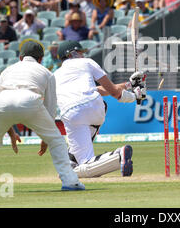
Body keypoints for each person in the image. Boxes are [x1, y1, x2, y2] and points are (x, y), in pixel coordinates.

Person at [0, 40, 85, 194]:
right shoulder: (47, 72)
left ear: (21, 57)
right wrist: (46, 137)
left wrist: (8, 130)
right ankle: (71, 182)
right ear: (41, 59)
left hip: (3, 101)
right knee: (57, 140)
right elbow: (50, 107)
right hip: (30, 99)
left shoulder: (7, 70)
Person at [48, 40, 146, 178]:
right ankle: (74, 161)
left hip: (70, 114)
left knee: (84, 164)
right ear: (72, 53)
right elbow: (112, 92)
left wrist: (128, 84)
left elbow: (101, 90)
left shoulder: (55, 76)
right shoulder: (87, 62)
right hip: (95, 107)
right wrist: (134, 96)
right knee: (85, 165)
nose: (82, 55)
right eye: (80, 52)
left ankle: (116, 155)